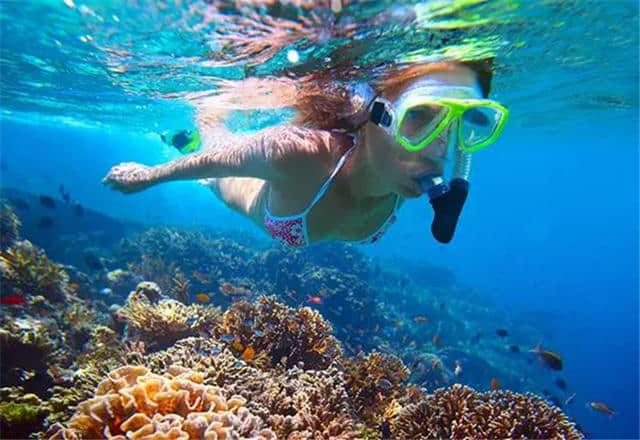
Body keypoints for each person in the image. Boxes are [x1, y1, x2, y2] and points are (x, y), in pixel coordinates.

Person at [103, 60, 509, 247]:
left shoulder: (400, 176)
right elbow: (217, 163)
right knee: (214, 141)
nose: (441, 149)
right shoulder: (298, 155)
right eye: (420, 115)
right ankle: (201, 125)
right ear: (372, 112)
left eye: (463, 123)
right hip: (236, 181)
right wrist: (149, 176)